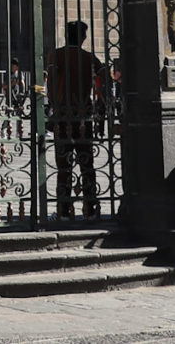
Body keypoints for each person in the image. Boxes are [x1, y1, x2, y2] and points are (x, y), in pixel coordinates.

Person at [46, 21, 108, 219]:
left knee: (64, 166)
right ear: (83, 38)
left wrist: (54, 102)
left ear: (66, 36)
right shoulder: (90, 58)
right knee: (87, 165)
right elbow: (103, 81)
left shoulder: (55, 55)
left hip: (62, 118)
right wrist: (99, 104)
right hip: (84, 119)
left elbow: (50, 83)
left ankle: (64, 209)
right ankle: (90, 208)